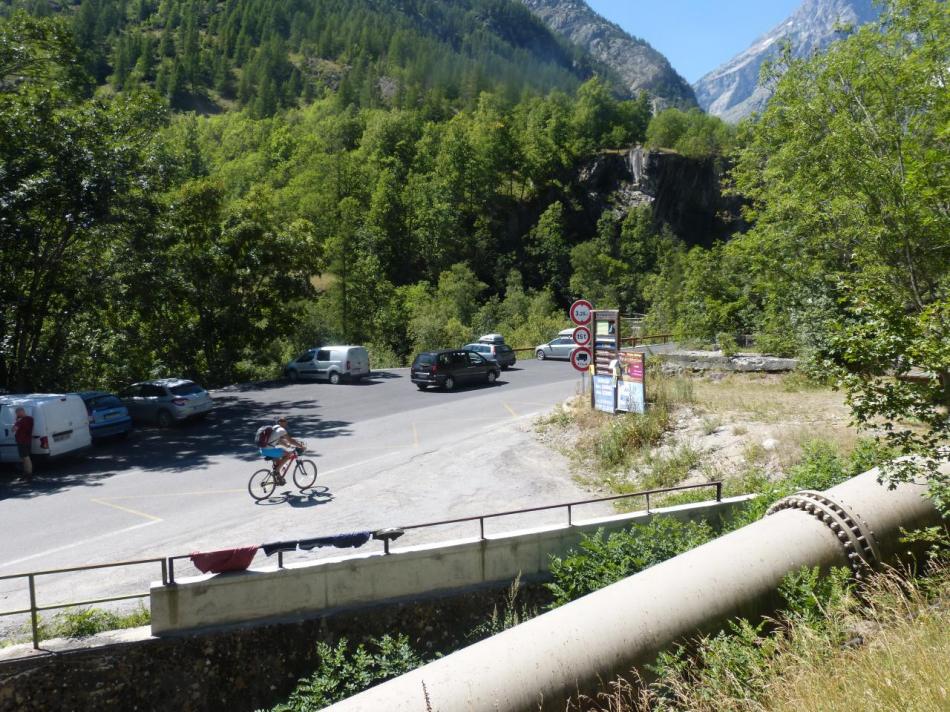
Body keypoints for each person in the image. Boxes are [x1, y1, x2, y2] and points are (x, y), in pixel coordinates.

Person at [259, 416, 305, 482]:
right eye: (285, 422)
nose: (286, 424)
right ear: (281, 423)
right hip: (269, 451)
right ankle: (277, 470)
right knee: (288, 455)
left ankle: (278, 478)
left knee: (279, 461)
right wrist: (301, 446)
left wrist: (287, 446)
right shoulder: (281, 430)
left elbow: (278, 440)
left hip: (263, 450)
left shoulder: (274, 428)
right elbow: (291, 441)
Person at [12, 407, 34, 481]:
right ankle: (26, 474)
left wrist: (17, 421)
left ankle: (29, 474)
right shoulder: (30, 419)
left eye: (17, 413)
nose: (17, 414)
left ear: (20, 412)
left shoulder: (21, 421)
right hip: (28, 440)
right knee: (25, 458)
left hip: (22, 441)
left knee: (25, 458)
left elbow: (13, 429)